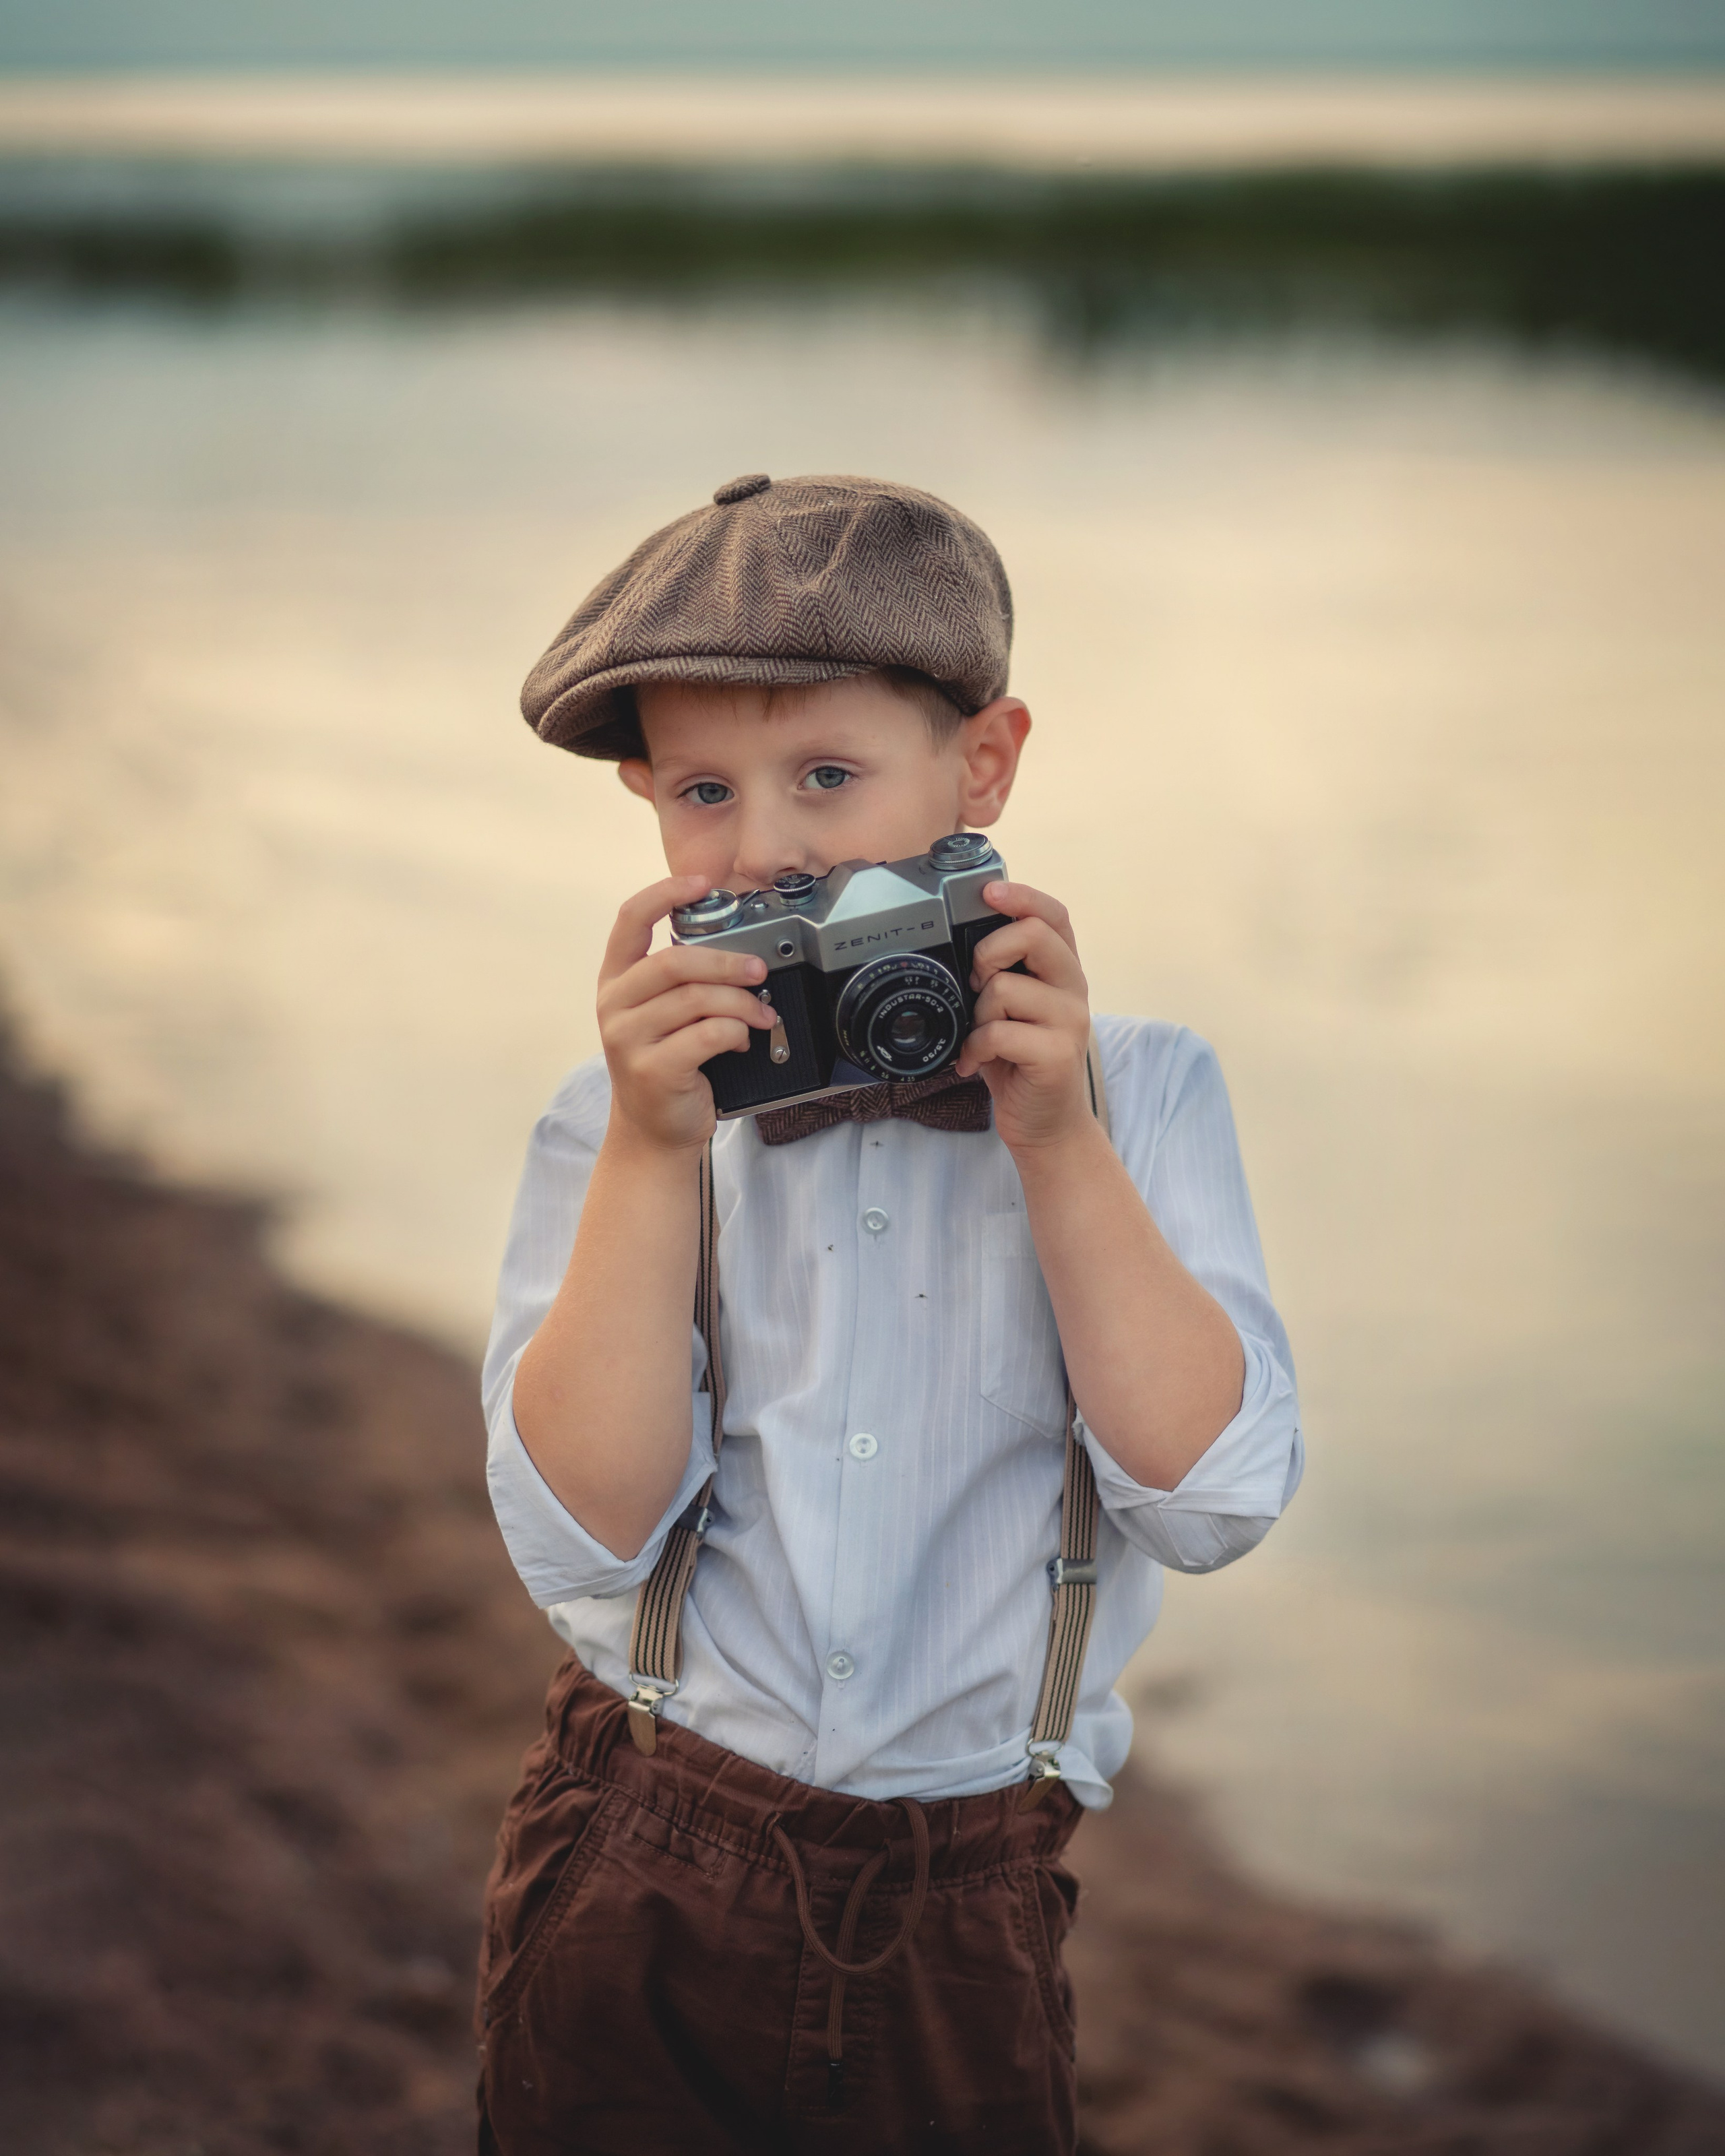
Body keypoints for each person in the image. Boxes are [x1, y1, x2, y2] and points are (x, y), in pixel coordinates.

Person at [476, 472, 1302, 2155]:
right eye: (703, 789)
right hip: (641, 1840)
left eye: (829, 777)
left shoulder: (1133, 1092)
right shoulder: (621, 1116)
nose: (766, 844)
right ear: (642, 802)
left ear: (980, 769)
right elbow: (584, 1536)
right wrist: (649, 1154)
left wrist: (1053, 1140)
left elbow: (1208, 1498)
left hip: (965, 1896)